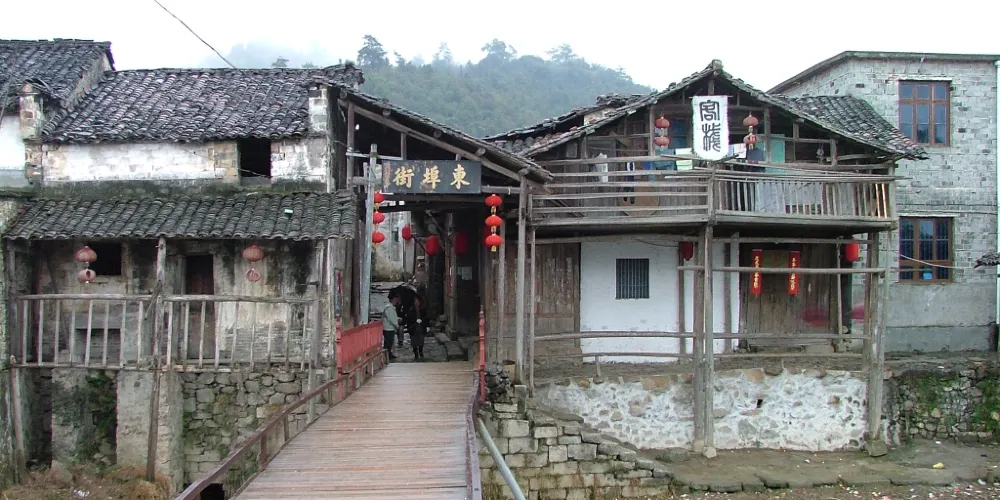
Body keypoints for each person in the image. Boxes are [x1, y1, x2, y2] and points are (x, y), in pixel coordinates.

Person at [382, 291, 401, 361]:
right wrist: (396, 325)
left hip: (389, 327)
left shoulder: (390, 307)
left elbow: (392, 317)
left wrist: (397, 319)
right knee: (388, 342)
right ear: (394, 299)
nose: (397, 300)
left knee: (390, 342)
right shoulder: (389, 308)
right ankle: (387, 355)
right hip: (388, 328)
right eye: (396, 298)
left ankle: (389, 354)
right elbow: (391, 319)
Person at [409, 296, 427, 361]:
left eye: (418, 302)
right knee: (414, 342)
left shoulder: (422, 309)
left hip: (421, 327)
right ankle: (416, 353)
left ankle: (420, 351)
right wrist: (414, 322)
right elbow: (409, 319)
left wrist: (422, 321)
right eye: (415, 302)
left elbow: (426, 317)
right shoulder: (411, 310)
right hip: (414, 328)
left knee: (421, 341)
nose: (417, 303)